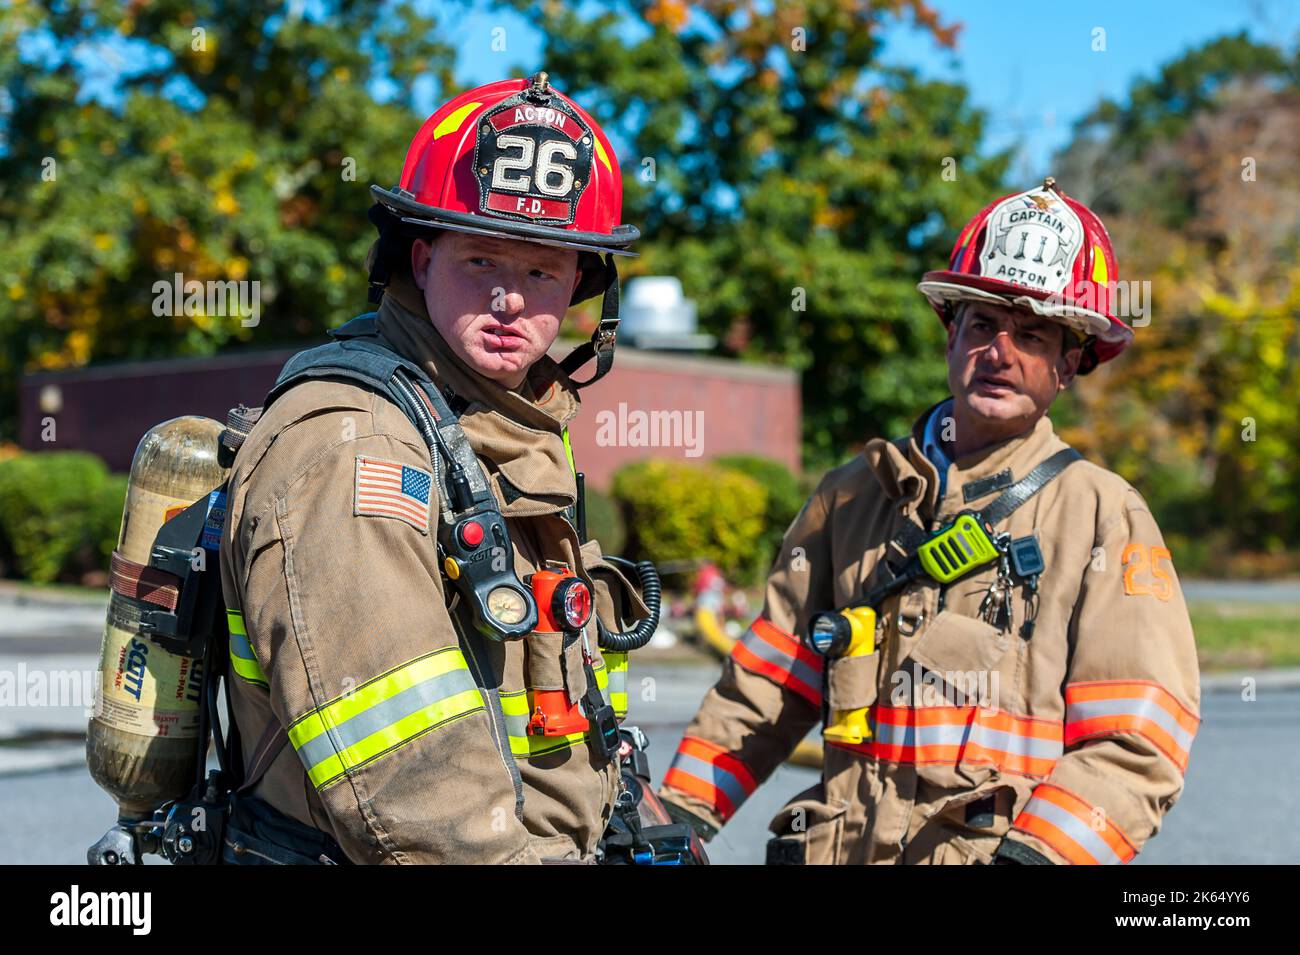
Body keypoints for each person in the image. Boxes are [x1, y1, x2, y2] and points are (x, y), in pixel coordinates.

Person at [659, 178, 1201, 865]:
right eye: (981, 324)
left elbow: (1137, 744)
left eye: (1032, 334)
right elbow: (769, 685)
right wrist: (675, 818)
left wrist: (1033, 859)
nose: (999, 352)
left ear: (1069, 364)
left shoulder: (1102, 517)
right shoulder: (851, 498)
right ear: (951, 337)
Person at [217, 72, 651, 864]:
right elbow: (416, 801)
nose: (510, 299)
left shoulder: (502, 430)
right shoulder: (358, 446)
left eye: (542, 272)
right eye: (481, 259)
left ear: (581, 286)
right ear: (420, 260)